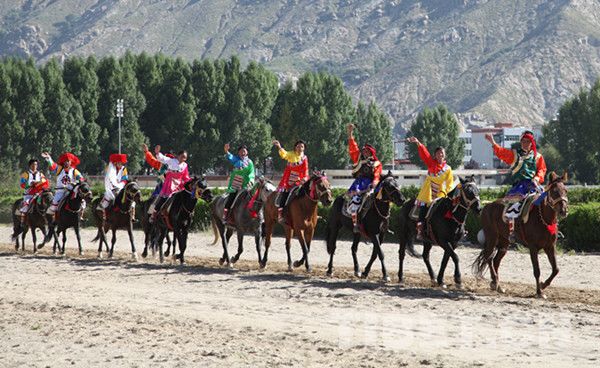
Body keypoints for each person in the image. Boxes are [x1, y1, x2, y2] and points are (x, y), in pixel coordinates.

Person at [485, 130, 547, 242]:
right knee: (514, 204)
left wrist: (537, 178)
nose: (525, 143)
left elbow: (542, 169)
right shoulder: (515, 155)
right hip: (520, 186)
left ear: (532, 142)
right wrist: (493, 142)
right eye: (523, 141)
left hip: (534, 184)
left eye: (528, 141)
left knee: (547, 200)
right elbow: (502, 152)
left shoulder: (538, 157)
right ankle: (512, 230)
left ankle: (551, 228)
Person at [406, 137, 455, 240]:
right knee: (423, 208)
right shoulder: (431, 163)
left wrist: (447, 193)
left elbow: (450, 183)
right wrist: (418, 143)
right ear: (435, 155)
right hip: (428, 190)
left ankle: (454, 228)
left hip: (440, 192)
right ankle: (420, 229)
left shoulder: (448, 169)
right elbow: (425, 154)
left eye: (441, 153)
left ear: (444, 154)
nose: (440, 155)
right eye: (438, 153)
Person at [346, 123, 382, 233]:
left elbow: (377, 175)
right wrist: (350, 133)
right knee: (355, 199)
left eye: (367, 151)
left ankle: (383, 221)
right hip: (359, 183)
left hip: (372, 184)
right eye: (364, 151)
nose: (365, 153)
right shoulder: (359, 160)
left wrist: (375, 183)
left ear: (371, 152)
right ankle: (355, 223)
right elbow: (353, 147)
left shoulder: (376, 163)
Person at [142, 144, 190, 222]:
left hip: (177, 185)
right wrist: (147, 152)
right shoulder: (162, 163)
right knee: (156, 199)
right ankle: (151, 214)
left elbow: (186, 177)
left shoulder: (183, 165)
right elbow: (152, 160)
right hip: (163, 184)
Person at [272, 139, 309, 223]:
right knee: (285, 193)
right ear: (295, 147)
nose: (300, 148)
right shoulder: (291, 154)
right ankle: (280, 214)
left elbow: (306, 170)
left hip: (300, 180)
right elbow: (284, 155)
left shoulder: (304, 158)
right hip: (288, 180)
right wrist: (279, 147)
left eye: (302, 146)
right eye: (298, 146)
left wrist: (305, 178)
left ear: (304, 148)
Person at [42, 151, 85, 220]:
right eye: (65, 161)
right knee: (54, 204)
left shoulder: (74, 171)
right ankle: (52, 219)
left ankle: (80, 216)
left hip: (71, 192)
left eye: (68, 161)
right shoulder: (59, 169)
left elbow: (81, 179)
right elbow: (52, 166)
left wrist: (77, 182)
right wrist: (49, 158)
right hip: (60, 191)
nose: (67, 162)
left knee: (82, 202)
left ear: (71, 162)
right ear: (63, 162)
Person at [222, 143, 255, 223]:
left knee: (255, 198)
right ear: (238, 153)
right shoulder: (236, 159)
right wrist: (226, 151)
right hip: (236, 183)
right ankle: (225, 215)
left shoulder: (250, 162)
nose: (243, 153)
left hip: (246, 184)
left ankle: (257, 216)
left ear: (247, 152)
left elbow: (251, 173)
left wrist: (251, 181)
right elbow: (230, 157)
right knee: (231, 197)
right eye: (241, 151)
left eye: (244, 151)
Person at [17, 158, 49, 229]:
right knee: (25, 206)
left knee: (46, 204)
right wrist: (30, 184)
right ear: (30, 165)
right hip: (28, 195)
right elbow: (22, 184)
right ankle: (22, 222)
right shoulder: (25, 174)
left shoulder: (40, 174)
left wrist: (40, 184)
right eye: (33, 165)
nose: (34, 166)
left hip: (38, 194)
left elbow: (44, 183)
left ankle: (47, 220)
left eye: (36, 164)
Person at [97, 153, 129, 221]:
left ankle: (131, 215)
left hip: (121, 186)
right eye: (119, 163)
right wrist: (114, 185)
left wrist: (120, 185)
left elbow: (125, 179)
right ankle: (105, 213)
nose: (121, 165)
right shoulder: (111, 169)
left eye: (121, 163)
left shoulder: (124, 169)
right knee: (109, 197)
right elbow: (109, 178)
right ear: (115, 163)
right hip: (112, 187)